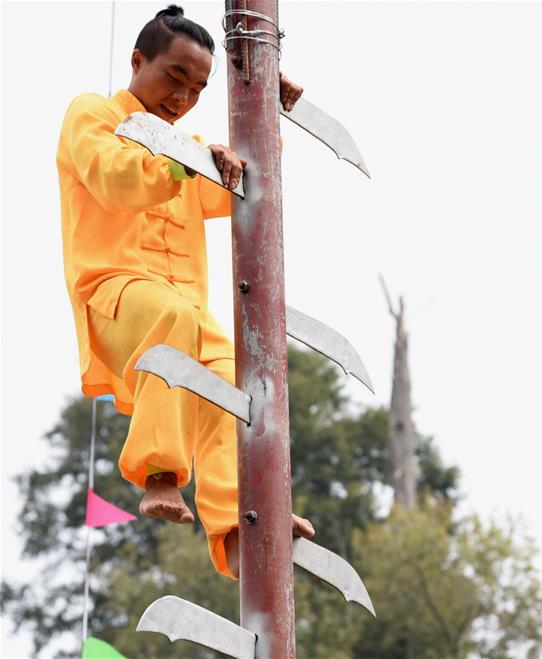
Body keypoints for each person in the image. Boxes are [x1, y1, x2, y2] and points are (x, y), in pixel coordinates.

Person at [57, 4, 311, 580]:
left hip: (186, 319)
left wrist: (267, 115)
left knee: (237, 377)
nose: (183, 97)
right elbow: (116, 178)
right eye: (174, 77)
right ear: (137, 60)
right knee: (173, 318)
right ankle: (159, 472)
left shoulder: (186, 148)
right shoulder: (93, 116)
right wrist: (185, 162)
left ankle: (240, 527)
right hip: (115, 298)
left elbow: (238, 193)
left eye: (197, 88)